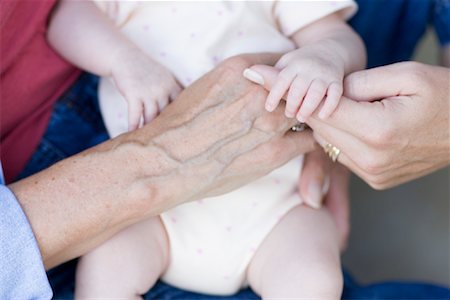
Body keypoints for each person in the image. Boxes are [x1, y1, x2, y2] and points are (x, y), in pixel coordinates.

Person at [46, 1, 365, 298]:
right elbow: (67, 17)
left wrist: (325, 56)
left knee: (314, 279)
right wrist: (123, 60)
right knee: (106, 268)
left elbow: (336, 35)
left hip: (276, 206)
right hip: (152, 206)